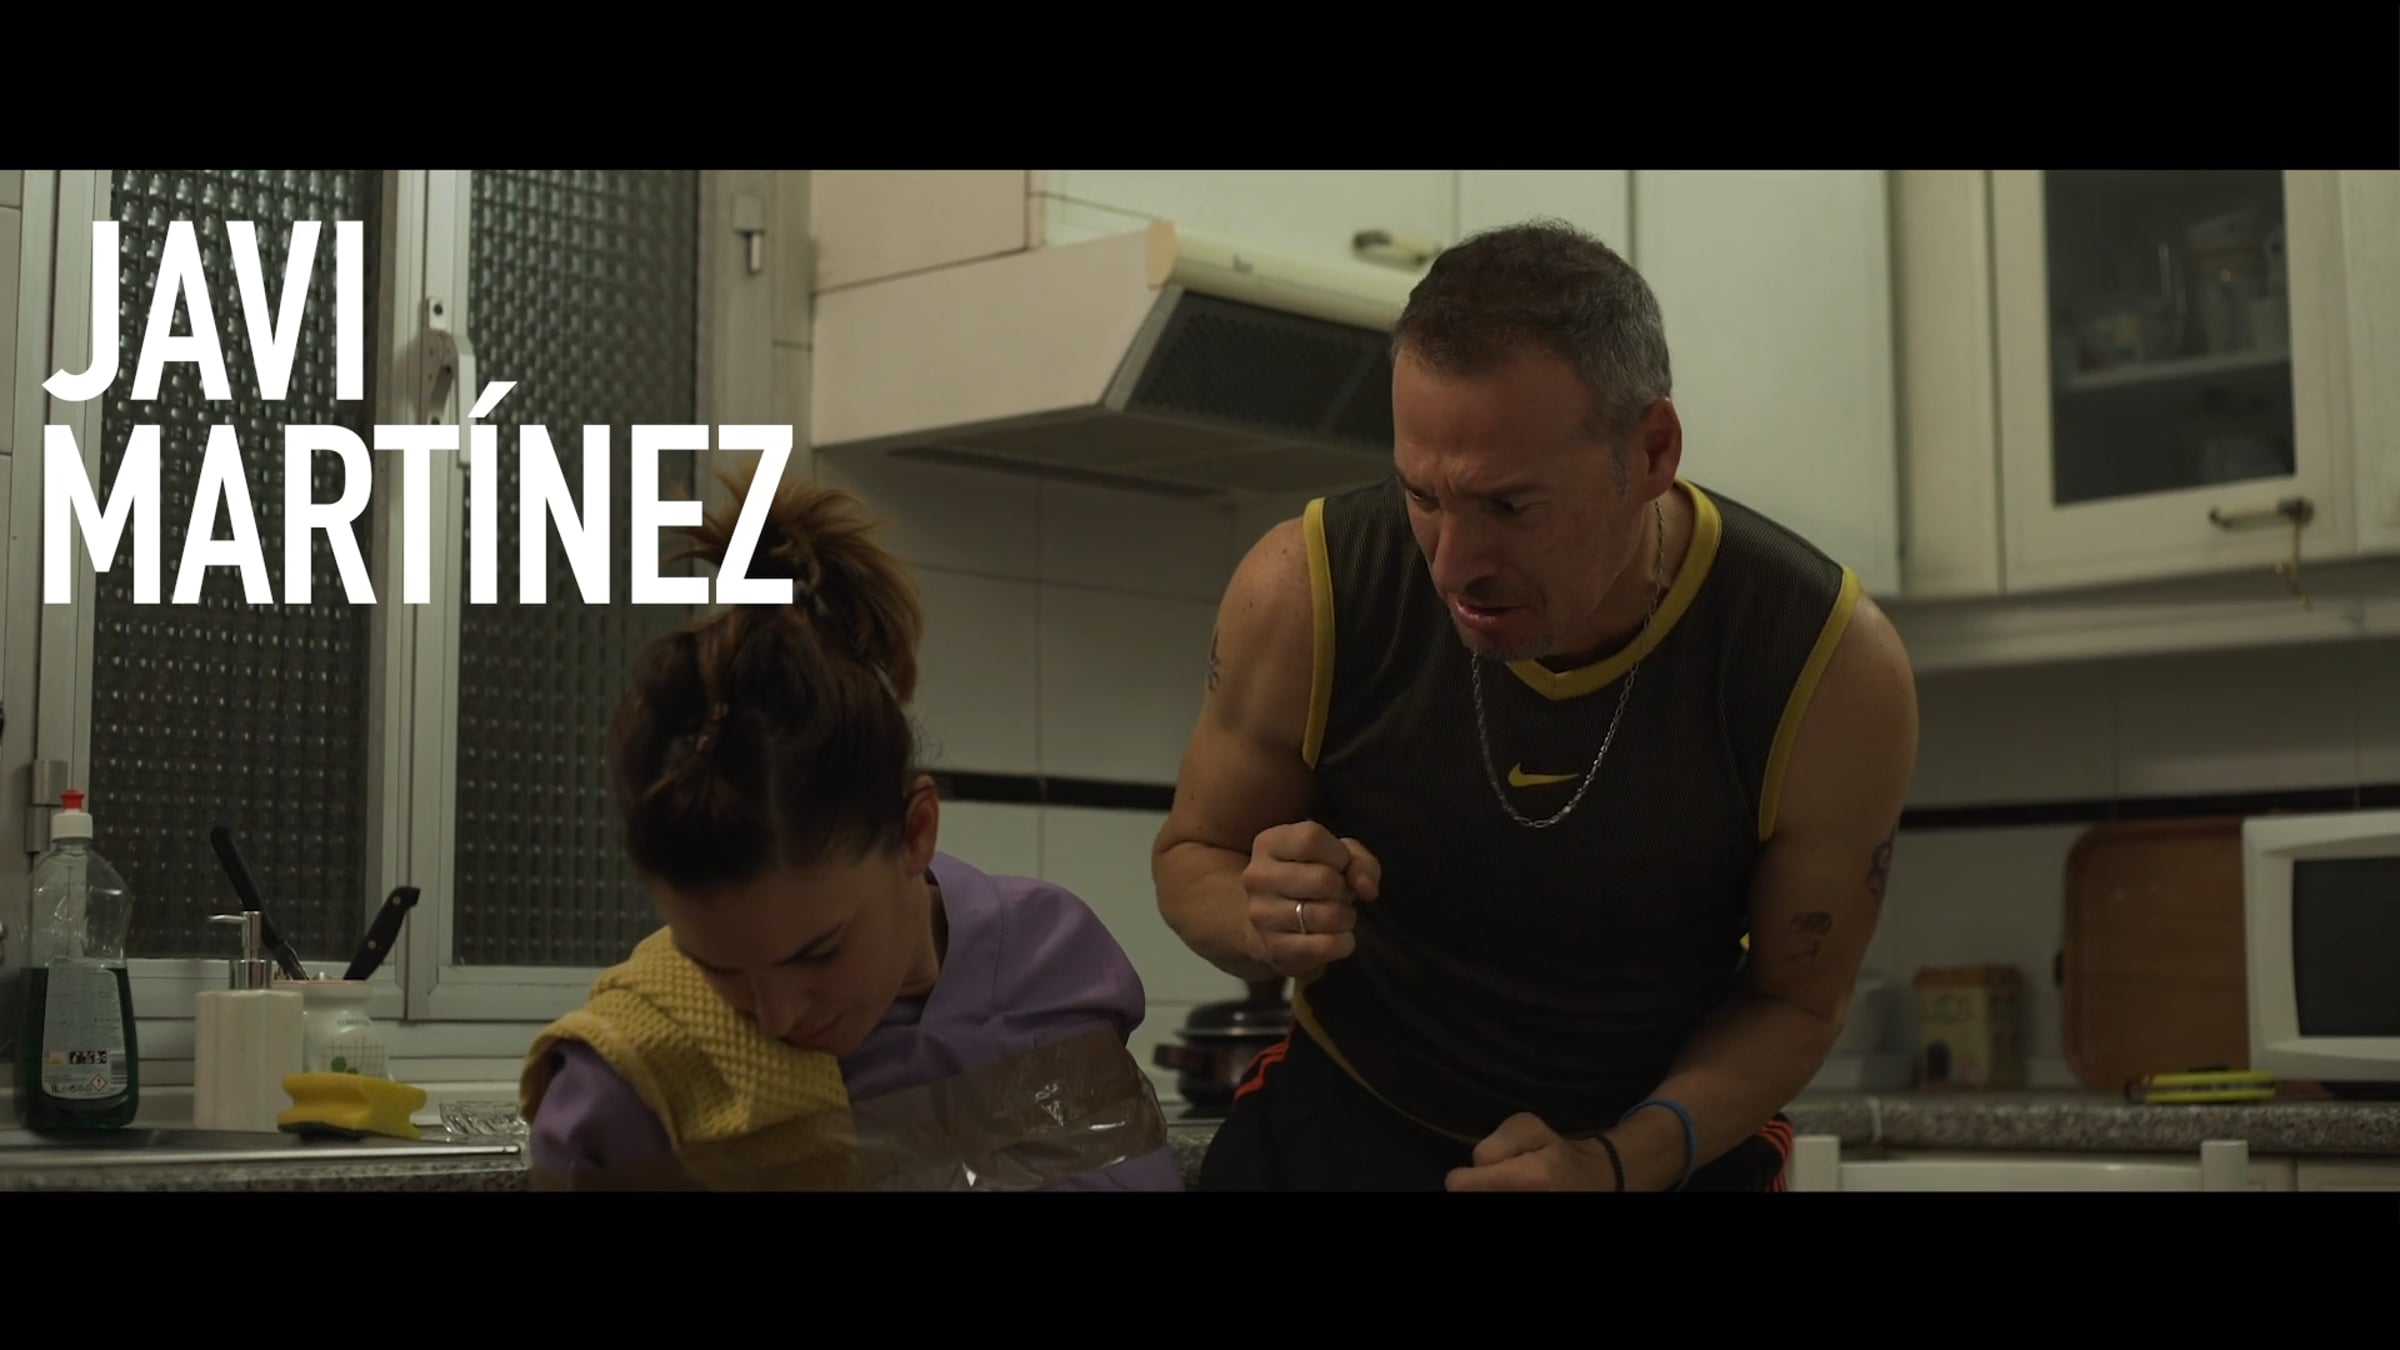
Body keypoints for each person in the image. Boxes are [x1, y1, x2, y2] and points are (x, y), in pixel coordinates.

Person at [1152, 218, 1920, 1192]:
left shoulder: (1826, 663)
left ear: (1652, 451)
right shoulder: (1302, 589)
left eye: (1510, 506)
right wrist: (1258, 915)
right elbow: (1195, 855)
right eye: (1422, 496)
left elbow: (1796, 1003)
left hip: (1655, 1145)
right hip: (1350, 1117)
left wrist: (1610, 1167)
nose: (1453, 564)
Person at [522, 466, 1183, 1192]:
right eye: (719, 969)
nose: (778, 1016)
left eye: (819, 952)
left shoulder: (1057, 961)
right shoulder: (631, 1085)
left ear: (914, 832)